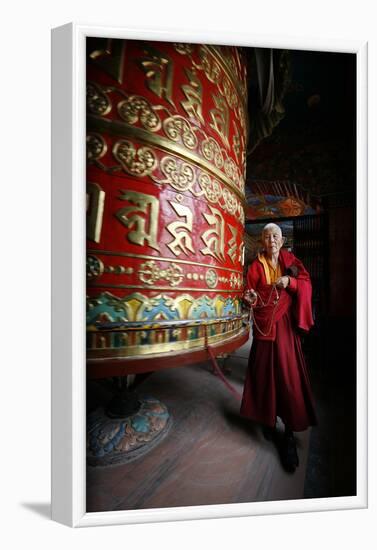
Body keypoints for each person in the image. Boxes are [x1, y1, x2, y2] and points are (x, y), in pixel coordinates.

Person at [241, 222, 317, 472]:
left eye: (275, 235)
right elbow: (250, 293)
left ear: (282, 240)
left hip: (284, 327)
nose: (271, 239)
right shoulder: (255, 266)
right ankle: (268, 419)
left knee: (288, 376)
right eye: (266, 236)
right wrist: (250, 299)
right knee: (264, 376)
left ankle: (289, 435)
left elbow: (305, 283)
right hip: (264, 329)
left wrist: (290, 281)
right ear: (262, 241)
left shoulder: (290, 260)